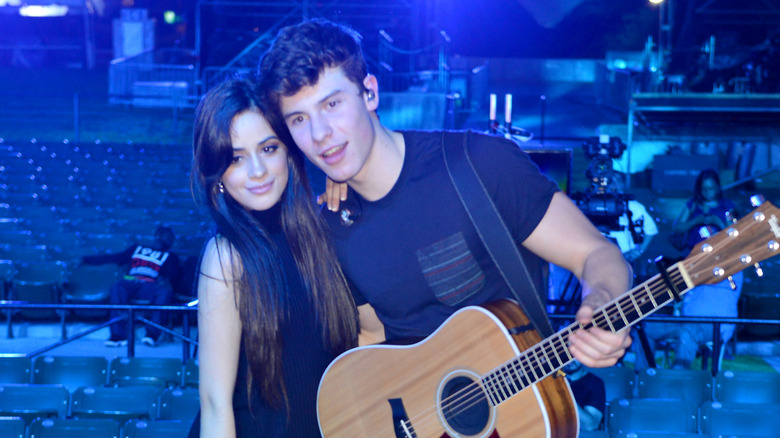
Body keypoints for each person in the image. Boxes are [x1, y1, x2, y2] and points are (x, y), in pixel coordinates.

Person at [259, 18, 632, 369]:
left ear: (369, 93)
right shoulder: (331, 227)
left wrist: (603, 303)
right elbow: (372, 340)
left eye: (332, 104)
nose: (320, 133)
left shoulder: (479, 163)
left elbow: (595, 253)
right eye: (299, 119)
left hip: (526, 410)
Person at [188, 77, 358, 437]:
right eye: (236, 159)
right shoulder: (225, 257)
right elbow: (216, 405)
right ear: (217, 175)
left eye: (268, 149)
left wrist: (348, 183)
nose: (258, 172)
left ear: (290, 152)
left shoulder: (323, 235)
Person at [634, 169, 742, 369]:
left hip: (707, 324)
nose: (708, 192)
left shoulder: (732, 262)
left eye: (712, 188)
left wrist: (718, 223)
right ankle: (645, 379)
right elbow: (677, 227)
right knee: (644, 327)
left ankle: (677, 384)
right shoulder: (693, 206)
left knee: (687, 332)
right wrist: (697, 221)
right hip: (690, 287)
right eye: (705, 189)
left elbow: (735, 232)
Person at [82, 225, 179, 347]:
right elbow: (114, 257)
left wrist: (166, 280)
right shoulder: (137, 248)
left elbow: (174, 276)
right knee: (117, 287)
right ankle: (117, 336)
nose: (171, 239)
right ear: (158, 236)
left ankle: (151, 335)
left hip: (151, 286)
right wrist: (85, 260)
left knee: (165, 291)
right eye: (168, 236)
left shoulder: (171, 256)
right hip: (131, 282)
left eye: (172, 238)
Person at [563, 360, 606, 432]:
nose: (570, 359)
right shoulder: (549, 379)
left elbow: (590, 426)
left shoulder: (595, 383)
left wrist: (564, 393)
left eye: (575, 354)